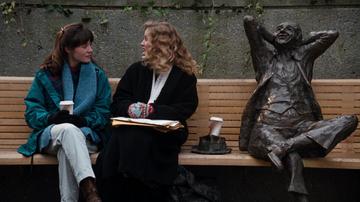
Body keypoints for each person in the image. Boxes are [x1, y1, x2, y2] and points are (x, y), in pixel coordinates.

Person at [239, 15, 358, 202]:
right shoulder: (264, 58)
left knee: (349, 121)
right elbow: (249, 21)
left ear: (298, 38)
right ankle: (298, 189)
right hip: (268, 127)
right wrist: (272, 38)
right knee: (293, 157)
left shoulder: (305, 58)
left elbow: (331, 34)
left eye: (289, 30)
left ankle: (285, 147)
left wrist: (300, 42)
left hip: (303, 127)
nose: (282, 31)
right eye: (279, 28)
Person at [96, 21, 199, 202]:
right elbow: (119, 101)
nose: (141, 44)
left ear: (159, 44)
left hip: (166, 133)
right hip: (131, 130)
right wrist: (130, 108)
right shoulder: (137, 70)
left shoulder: (183, 76)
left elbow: (185, 108)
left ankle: (116, 191)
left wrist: (152, 111)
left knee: (132, 138)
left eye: (146, 39)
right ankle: (135, 189)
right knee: (128, 135)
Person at [17, 23, 111, 202]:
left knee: (68, 145)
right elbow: (32, 112)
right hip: (51, 136)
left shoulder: (97, 76)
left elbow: (103, 112)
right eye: (84, 46)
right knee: (67, 129)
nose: (90, 50)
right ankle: (90, 190)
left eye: (91, 44)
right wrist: (51, 117)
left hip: (86, 136)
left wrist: (83, 120)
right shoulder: (46, 75)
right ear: (68, 48)